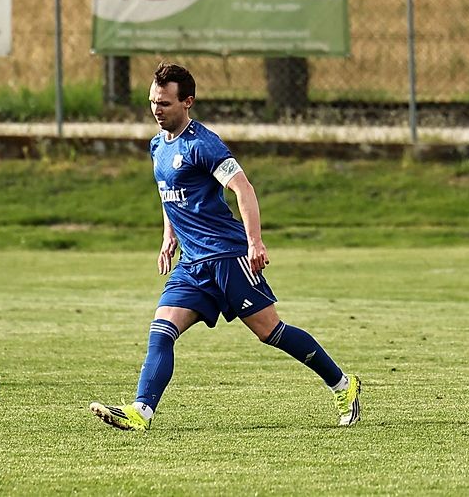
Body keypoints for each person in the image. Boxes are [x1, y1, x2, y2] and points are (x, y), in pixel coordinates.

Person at [89, 62, 361, 431]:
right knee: (162, 330)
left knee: (270, 331)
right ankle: (141, 412)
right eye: (152, 101)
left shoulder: (204, 144)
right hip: (192, 264)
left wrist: (255, 241)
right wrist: (169, 235)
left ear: (187, 102)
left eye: (164, 103)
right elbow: (169, 193)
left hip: (228, 257)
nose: (156, 109)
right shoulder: (157, 145)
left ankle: (343, 385)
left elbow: (243, 188)